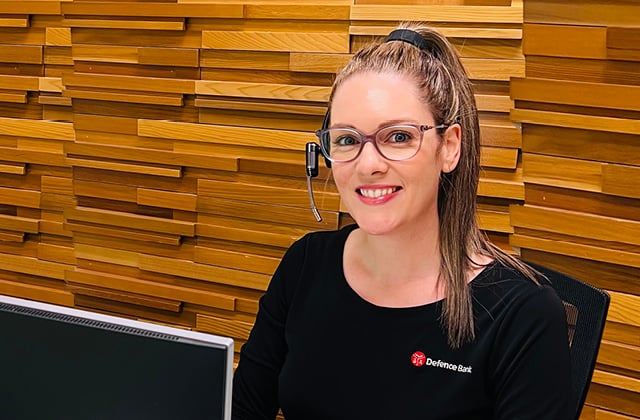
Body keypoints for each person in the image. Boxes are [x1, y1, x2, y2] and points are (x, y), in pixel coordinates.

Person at [232, 23, 571, 420]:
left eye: (398, 137)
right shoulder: (305, 264)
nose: (369, 164)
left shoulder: (524, 315)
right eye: (347, 139)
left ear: (449, 147)